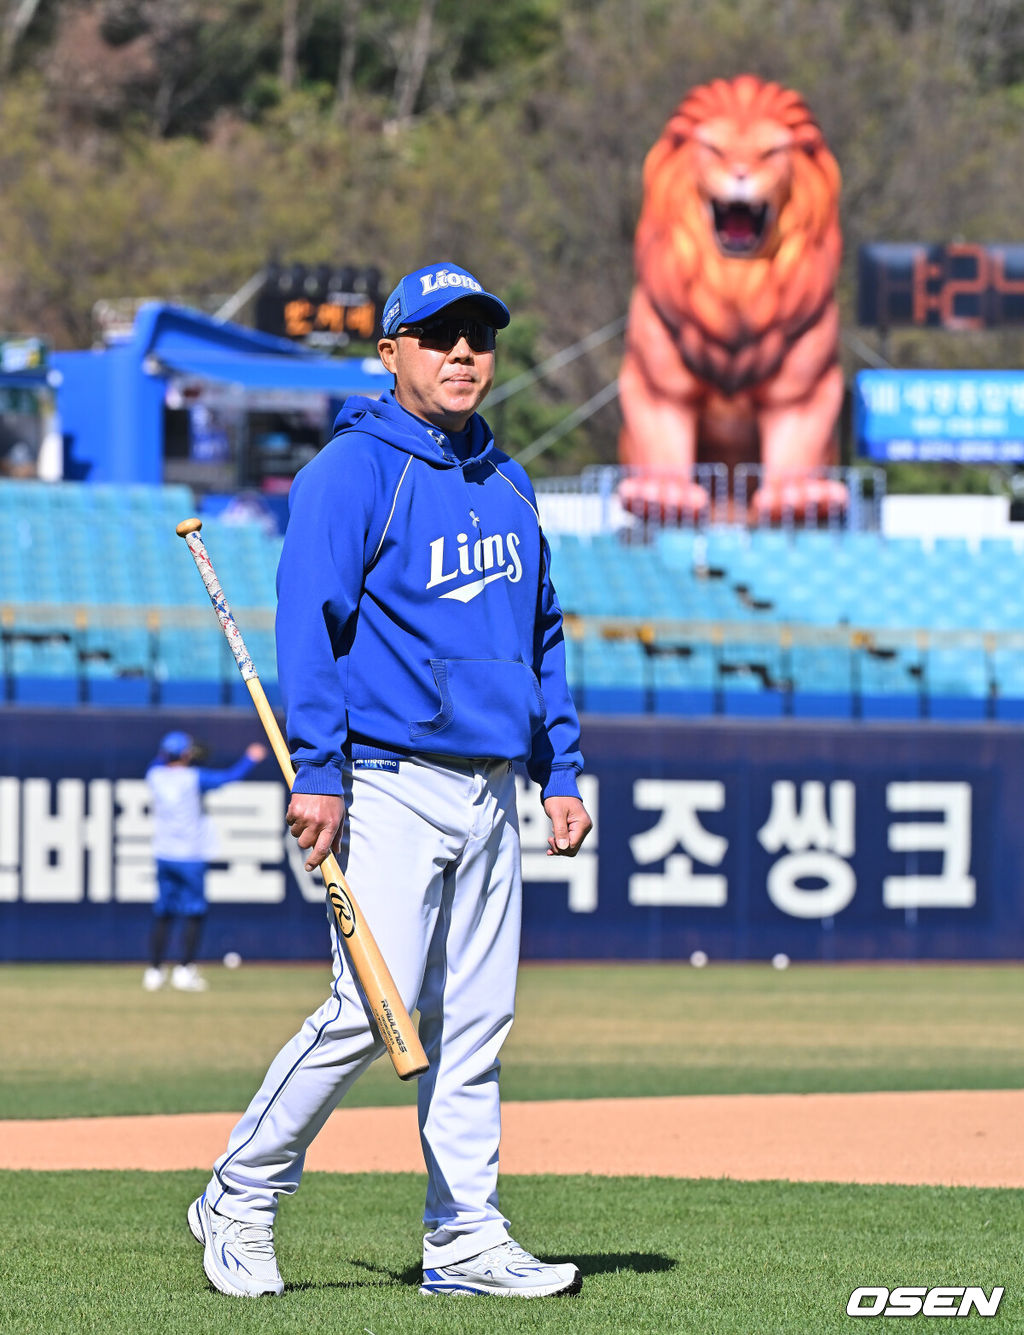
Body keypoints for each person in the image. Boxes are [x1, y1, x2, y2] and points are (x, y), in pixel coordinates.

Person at [187, 261, 593, 1300]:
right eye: (439, 336)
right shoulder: (353, 471)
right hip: (387, 780)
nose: (464, 354)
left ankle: (462, 1238)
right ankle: (241, 1190)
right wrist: (317, 772)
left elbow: (541, 635)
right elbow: (309, 632)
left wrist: (560, 766)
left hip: (494, 783)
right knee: (368, 1011)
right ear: (392, 353)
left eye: (479, 338)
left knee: (476, 1022)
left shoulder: (507, 479)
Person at [144, 730, 267, 992]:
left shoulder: (154, 775)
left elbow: (160, 760)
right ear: (185, 754)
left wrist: (177, 753)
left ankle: (154, 971)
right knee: (194, 913)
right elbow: (229, 777)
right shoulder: (193, 777)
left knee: (164, 913)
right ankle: (184, 970)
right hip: (190, 856)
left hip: (164, 854)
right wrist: (250, 758)